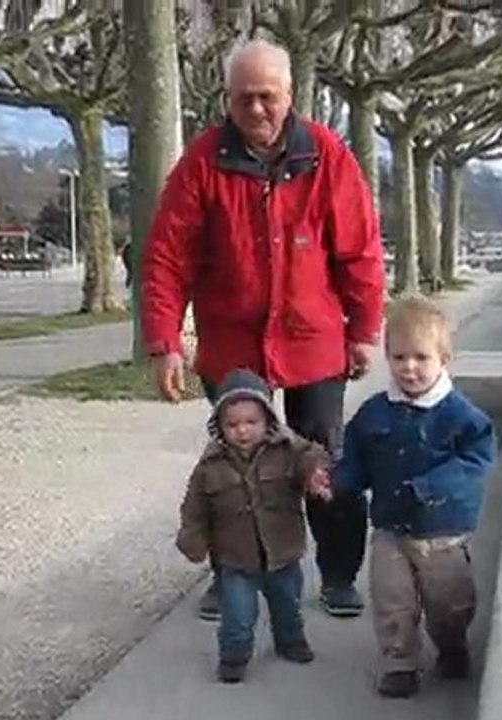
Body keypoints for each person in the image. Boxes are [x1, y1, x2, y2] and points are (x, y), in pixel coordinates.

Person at [140, 38, 385, 620]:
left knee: (323, 457)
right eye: (243, 98)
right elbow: (167, 258)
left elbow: (360, 250)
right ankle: (235, 576)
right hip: (232, 341)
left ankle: (338, 573)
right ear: (227, 98)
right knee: (237, 464)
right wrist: (165, 342)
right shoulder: (202, 162)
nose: (255, 109)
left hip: (312, 339)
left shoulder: (327, 156)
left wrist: (363, 329)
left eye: (267, 97)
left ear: (289, 95)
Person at [308, 296, 497, 698]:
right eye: (398, 357)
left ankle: (451, 645)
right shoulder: (375, 412)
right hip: (391, 528)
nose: (409, 367)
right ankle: (399, 663)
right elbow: (357, 459)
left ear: (444, 359)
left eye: (421, 357)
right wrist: (337, 482)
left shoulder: (460, 415)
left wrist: (432, 486)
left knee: (449, 602)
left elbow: (477, 460)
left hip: (443, 531)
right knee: (392, 601)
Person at [176, 368, 329, 684]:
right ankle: (233, 657)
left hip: (282, 553)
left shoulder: (288, 449)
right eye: (232, 424)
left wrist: (314, 474)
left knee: (288, 607)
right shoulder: (210, 466)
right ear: (219, 426)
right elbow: (195, 507)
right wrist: (193, 537)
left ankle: (290, 642)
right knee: (237, 617)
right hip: (235, 559)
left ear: (267, 420)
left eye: (251, 422)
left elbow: (311, 456)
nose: (242, 431)